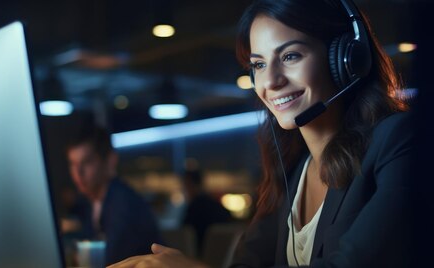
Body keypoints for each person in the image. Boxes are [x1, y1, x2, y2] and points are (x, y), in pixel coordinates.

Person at [107, 0, 413, 267]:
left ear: (346, 58)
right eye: (259, 64)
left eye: (291, 56)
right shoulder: (292, 168)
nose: (271, 81)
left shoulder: (397, 141)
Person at [63, 124, 163, 266]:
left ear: (110, 161)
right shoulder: (94, 203)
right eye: (73, 164)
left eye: (86, 162)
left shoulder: (123, 204)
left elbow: (111, 262)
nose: (78, 173)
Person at [182, 168, 232, 254]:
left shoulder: (195, 207)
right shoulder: (215, 204)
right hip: (224, 254)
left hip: (200, 255)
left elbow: (185, 230)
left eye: (185, 185)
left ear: (190, 184)